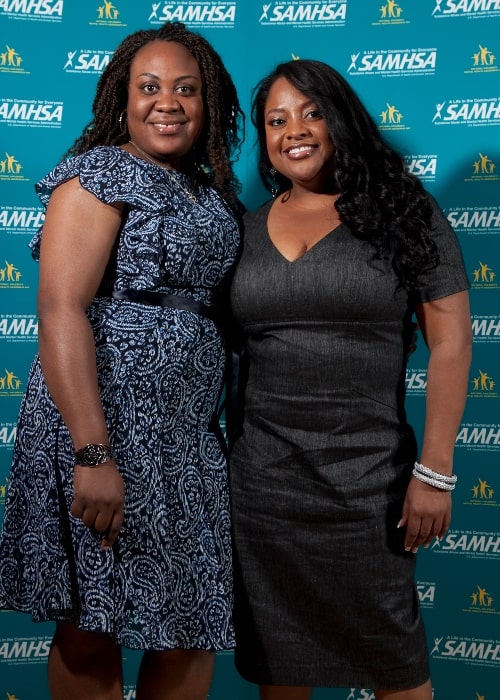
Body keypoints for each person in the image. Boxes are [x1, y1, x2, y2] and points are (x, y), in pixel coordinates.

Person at [0, 21, 243, 700]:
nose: (167, 102)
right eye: (149, 87)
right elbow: (60, 309)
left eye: (186, 89)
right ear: (122, 100)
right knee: (92, 621)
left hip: (186, 440)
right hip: (104, 430)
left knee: (191, 624)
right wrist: (91, 454)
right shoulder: (100, 173)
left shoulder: (211, 193)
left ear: (210, 105)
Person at [229, 59, 471, 700]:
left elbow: (450, 344)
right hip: (265, 490)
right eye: (276, 121)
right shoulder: (243, 229)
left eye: (311, 113)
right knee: (282, 671)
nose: (294, 131)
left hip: (370, 488)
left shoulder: (405, 211)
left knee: (396, 670)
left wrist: (435, 472)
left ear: (341, 120)